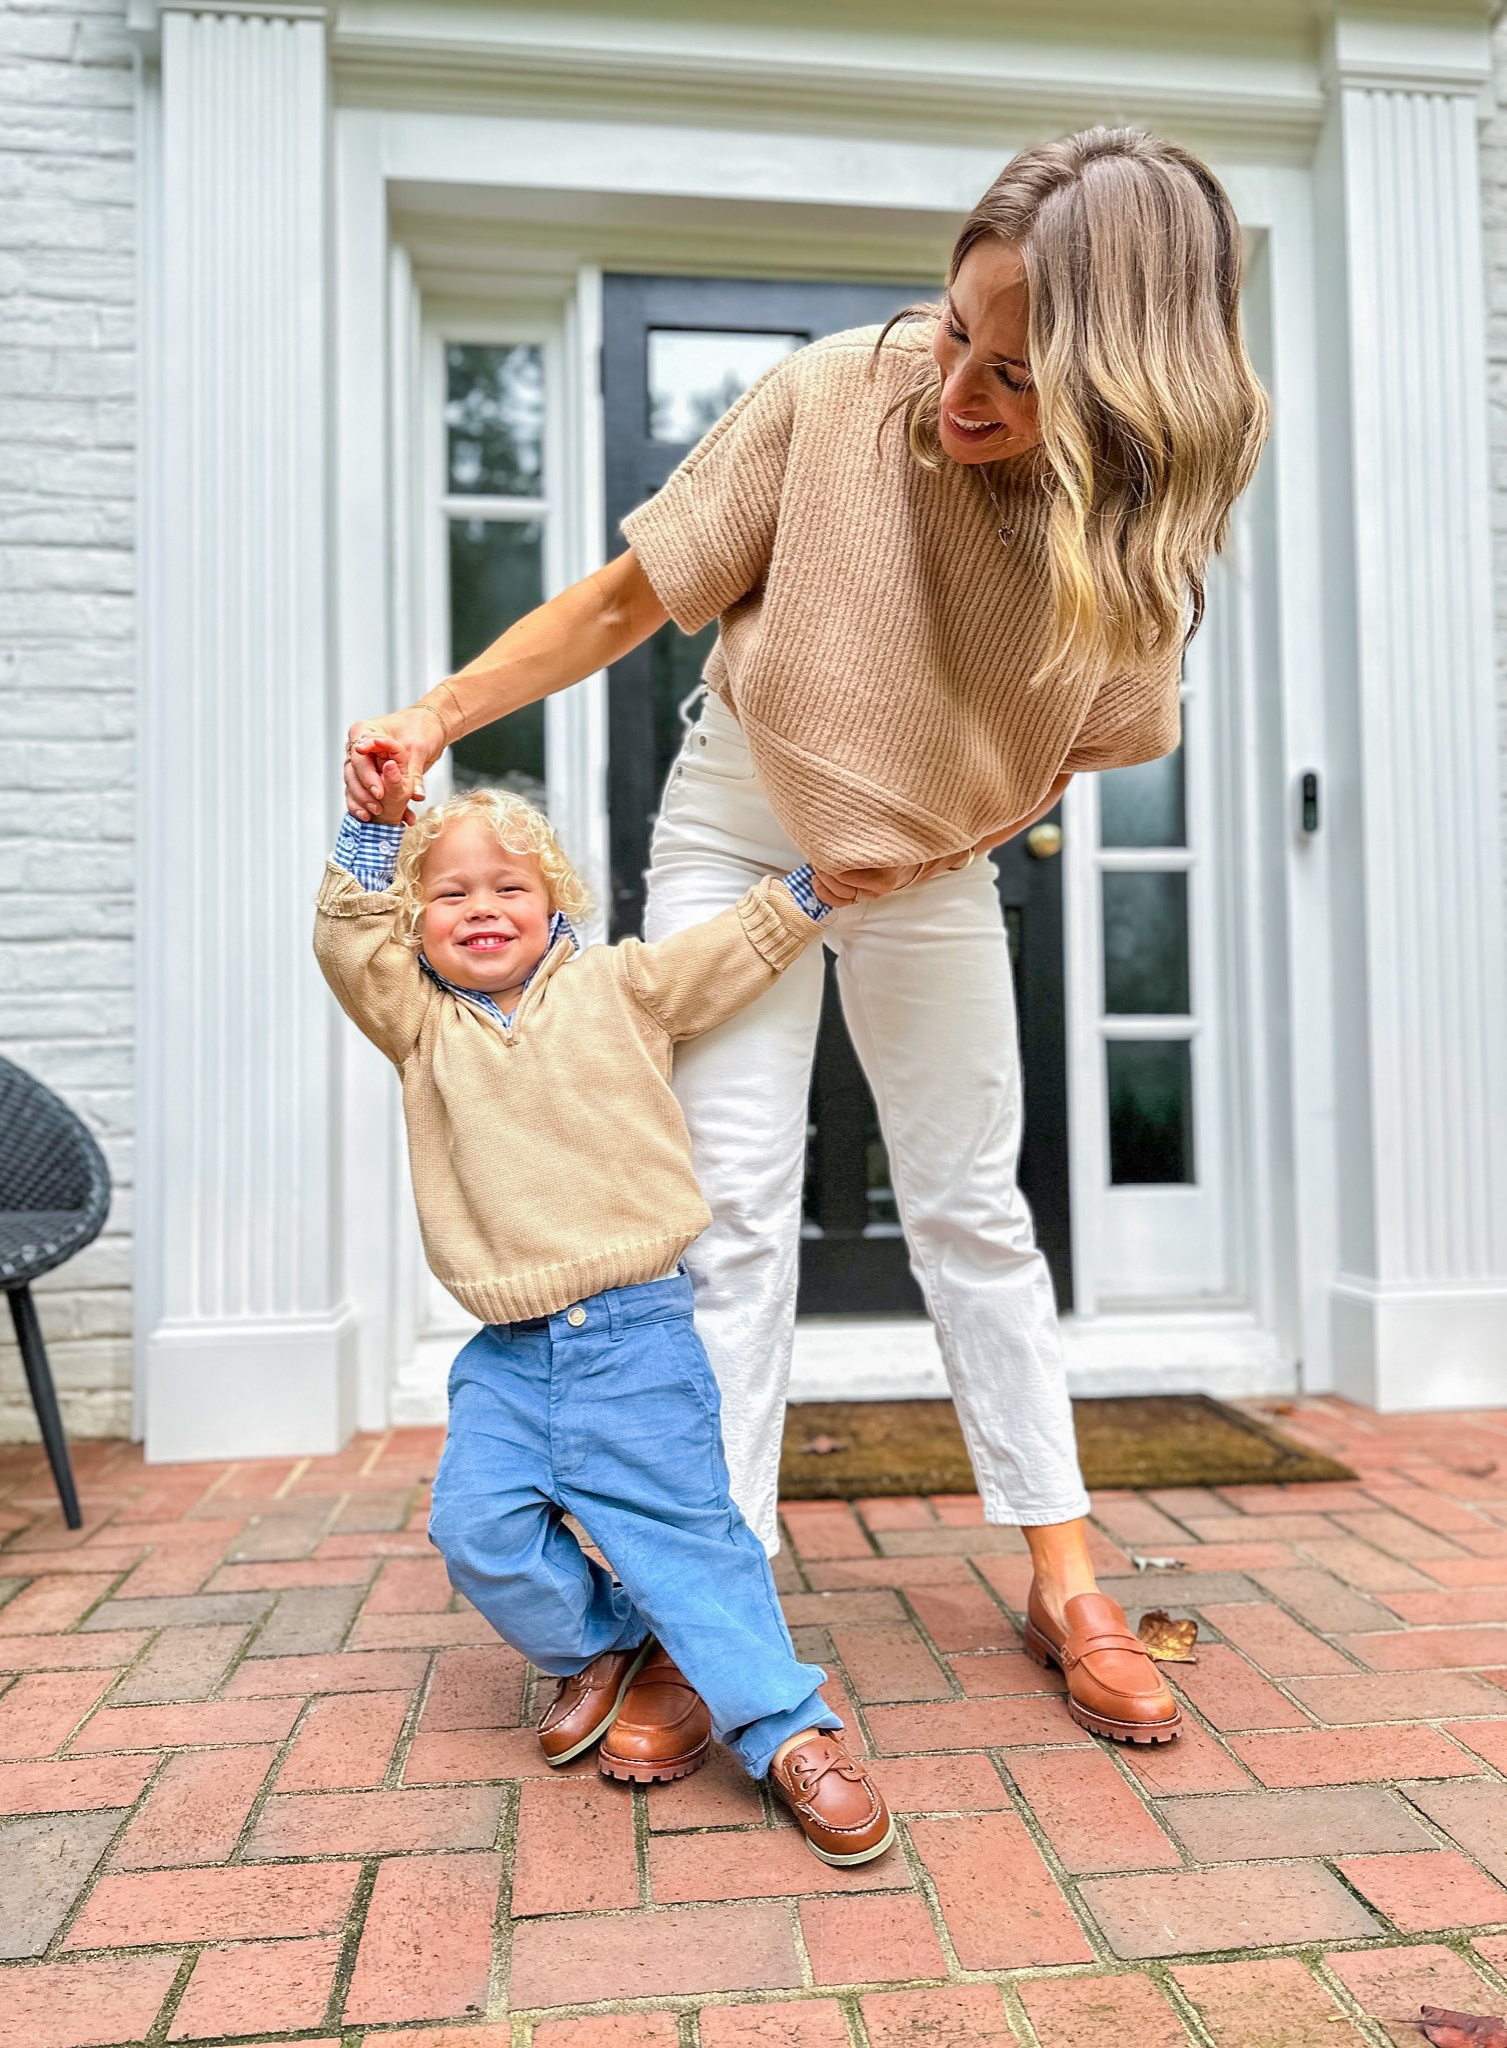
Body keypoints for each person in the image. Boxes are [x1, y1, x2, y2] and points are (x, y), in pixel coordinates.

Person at [343, 127, 1270, 1746]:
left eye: (1021, 377)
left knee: (974, 1198)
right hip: (736, 821)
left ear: (1129, 403)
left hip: (927, 862)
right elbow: (633, 597)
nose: (960, 390)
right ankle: (715, 1604)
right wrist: (440, 709)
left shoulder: (1135, 534)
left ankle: (1062, 1570)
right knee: (730, 1215)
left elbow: (1072, 749)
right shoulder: (842, 392)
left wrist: (917, 849)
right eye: (957, 332)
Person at [313, 775, 895, 1861]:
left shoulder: (618, 987)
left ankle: (789, 1730)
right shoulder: (420, 1024)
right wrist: (376, 829)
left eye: (507, 885)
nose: (481, 906)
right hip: (506, 1354)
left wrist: (813, 888)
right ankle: (610, 1638)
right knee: (474, 1529)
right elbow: (347, 942)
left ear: (554, 899)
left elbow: (725, 952)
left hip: (634, 1334)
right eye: (448, 894)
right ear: (417, 924)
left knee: (689, 1540)